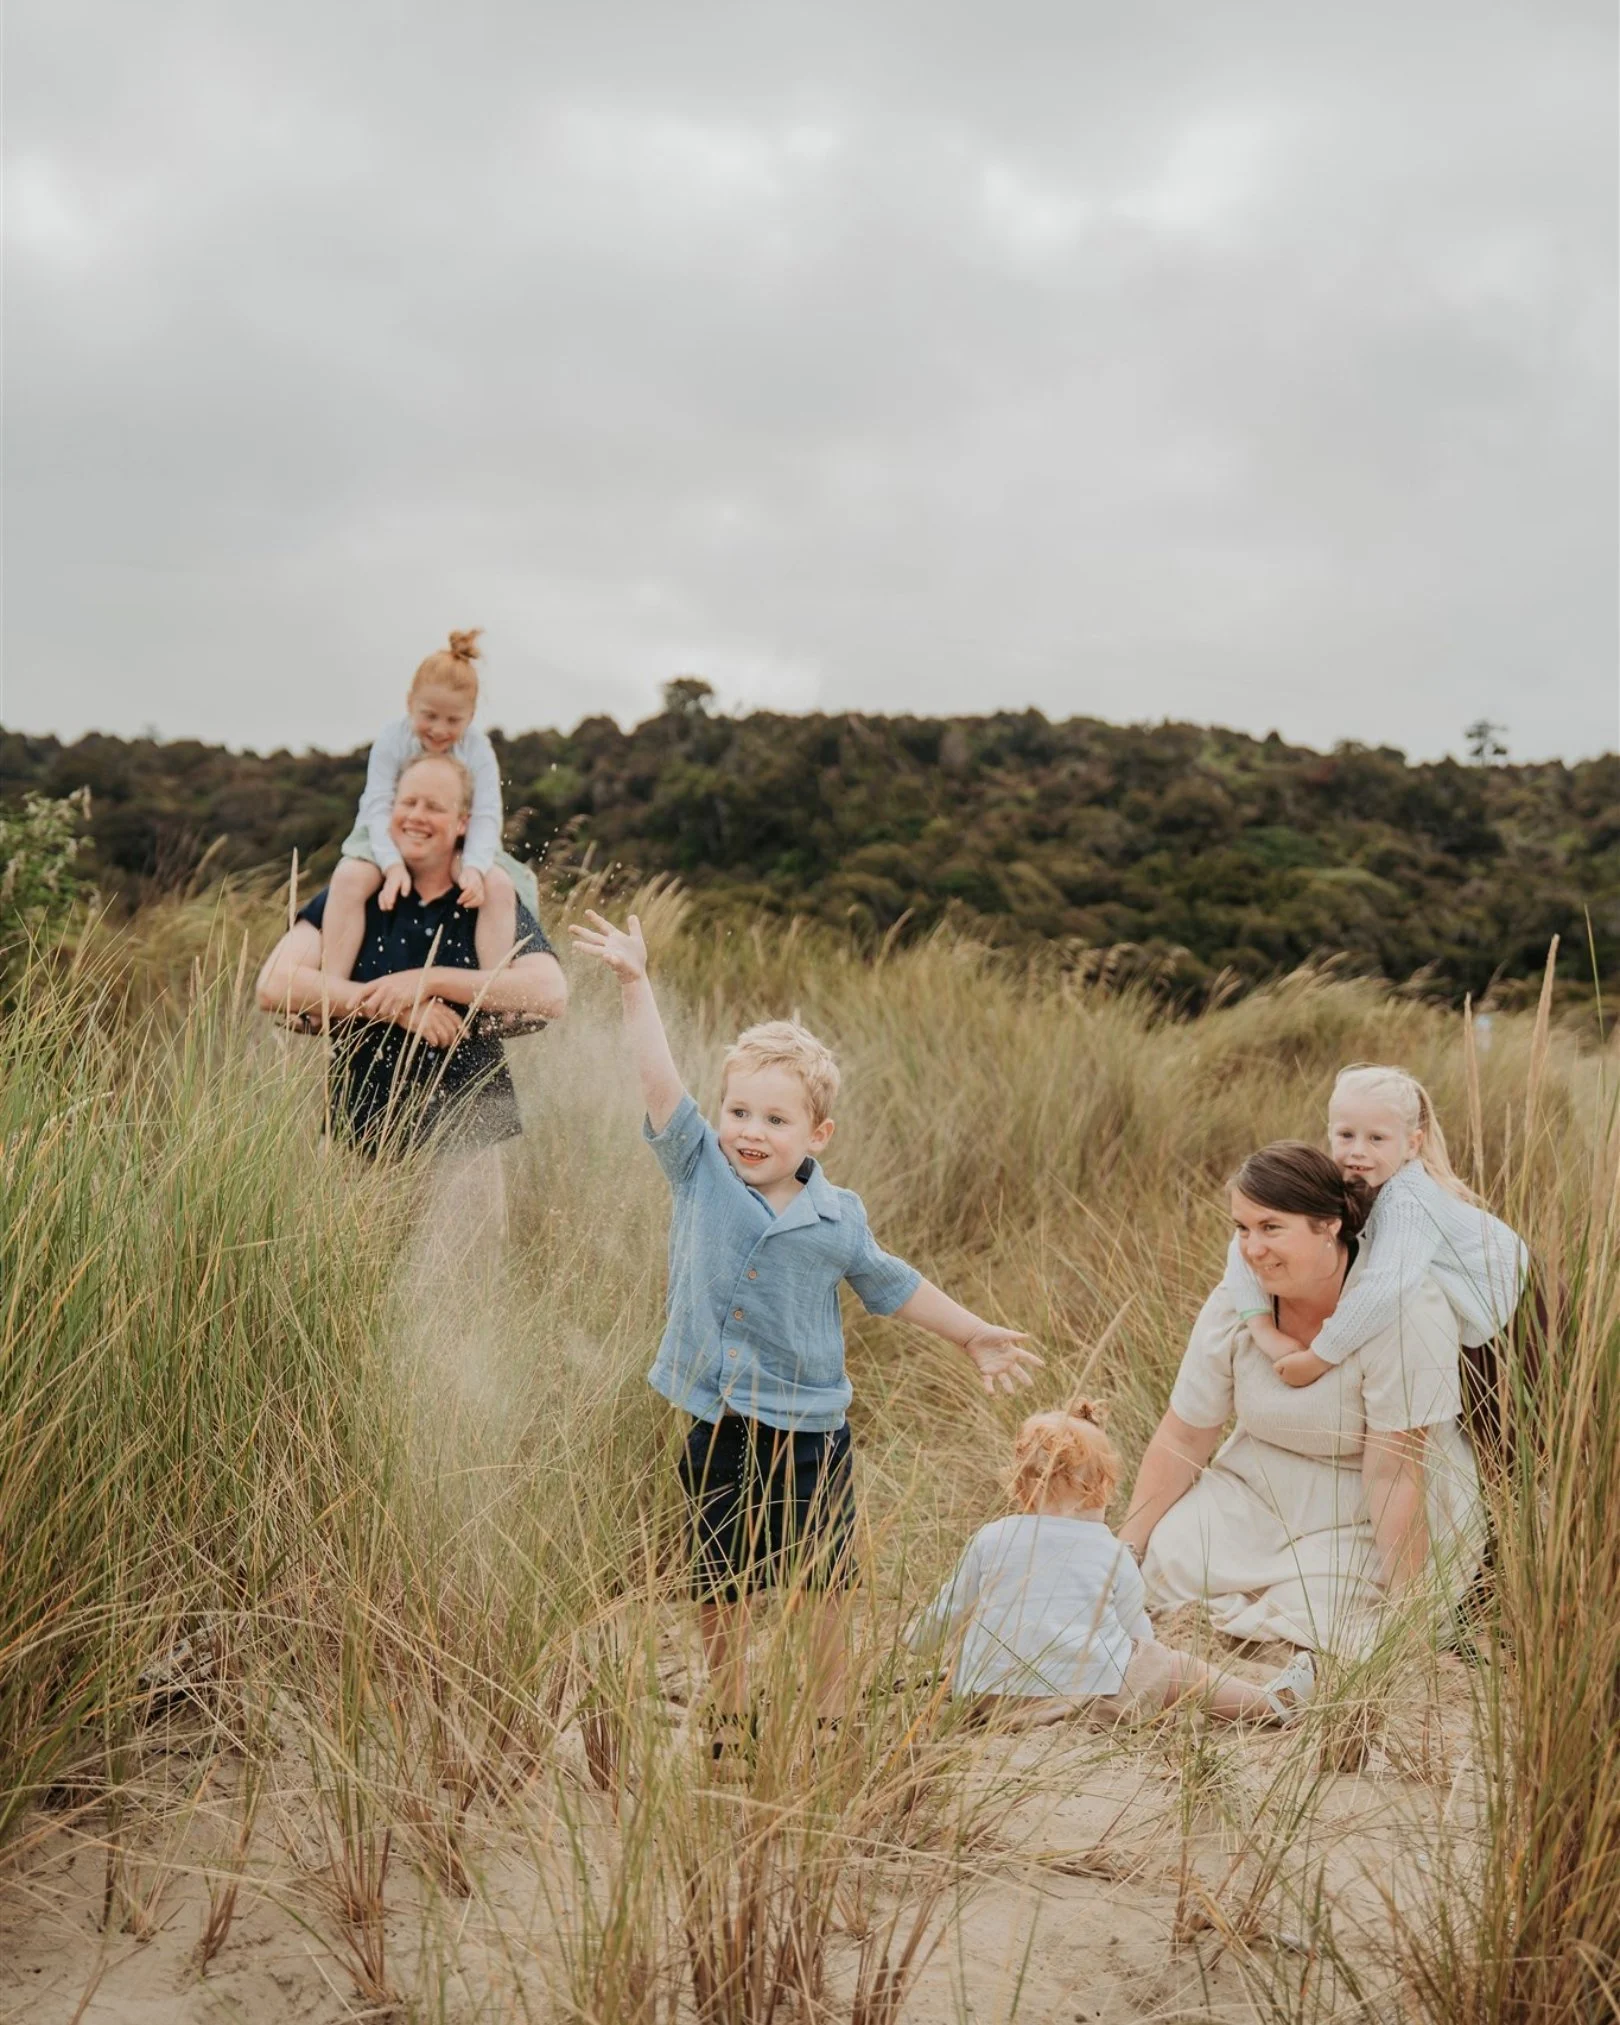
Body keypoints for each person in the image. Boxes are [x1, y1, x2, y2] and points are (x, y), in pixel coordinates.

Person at [567, 906, 1042, 1746]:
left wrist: (971, 1332)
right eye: (739, 1110)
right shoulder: (699, 1169)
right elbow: (659, 1082)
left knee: (824, 1579)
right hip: (718, 1415)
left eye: (774, 1119)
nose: (750, 1130)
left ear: (816, 1133)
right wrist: (637, 983)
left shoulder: (837, 1216)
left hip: (813, 1427)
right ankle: (729, 1700)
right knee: (717, 1577)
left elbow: (892, 1284)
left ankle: (829, 1713)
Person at [1120, 1142, 1485, 1657]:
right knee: (1167, 1560)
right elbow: (1185, 1433)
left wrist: (1412, 1609)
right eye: (1242, 1229)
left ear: (1329, 1225)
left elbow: (1394, 1474)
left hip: (1367, 1499)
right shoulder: (1238, 1300)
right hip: (1258, 1486)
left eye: (1271, 1228)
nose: (1252, 1249)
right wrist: (1124, 1550)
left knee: (1321, 1614)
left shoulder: (1405, 1310)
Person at [256, 754, 567, 1202]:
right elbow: (274, 983)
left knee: (465, 1271)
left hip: (468, 1139)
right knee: (344, 1270)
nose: (417, 817)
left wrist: (431, 980)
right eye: (408, 802)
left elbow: (550, 993)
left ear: (463, 823)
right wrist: (399, 1006)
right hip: (356, 1131)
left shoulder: (486, 895)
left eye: (435, 807)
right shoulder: (355, 892)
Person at [908, 1400, 1315, 1730]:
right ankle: (1270, 1705)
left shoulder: (992, 1537)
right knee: (1175, 1668)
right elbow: (1136, 1633)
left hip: (991, 1701)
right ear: (1101, 1490)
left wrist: (915, 1643)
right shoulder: (1111, 1552)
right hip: (1084, 1698)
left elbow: (950, 1610)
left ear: (1020, 1487)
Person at [1226, 1065, 1528, 1399]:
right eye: (1346, 1135)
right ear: (1330, 1132)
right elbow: (1248, 1240)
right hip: (1443, 1297)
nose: (1358, 1151)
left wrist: (1320, 1356)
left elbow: (1386, 1286)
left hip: (1507, 1298)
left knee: (1497, 1422)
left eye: (1376, 1139)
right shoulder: (1343, 1177)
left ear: (1412, 1144)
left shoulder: (1409, 1199)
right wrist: (1264, 1329)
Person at [321, 628, 536, 987]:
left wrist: (474, 867)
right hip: (386, 837)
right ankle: (329, 991)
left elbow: (485, 816)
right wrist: (391, 866)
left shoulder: (479, 749)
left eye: (453, 721)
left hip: (460, 843)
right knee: (348, 877)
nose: (438, 729)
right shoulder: (392, 739)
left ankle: (493, 994)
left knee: (497, 885)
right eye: (429, 715)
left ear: (470, 716)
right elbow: (376, 808)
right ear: (410, 703)